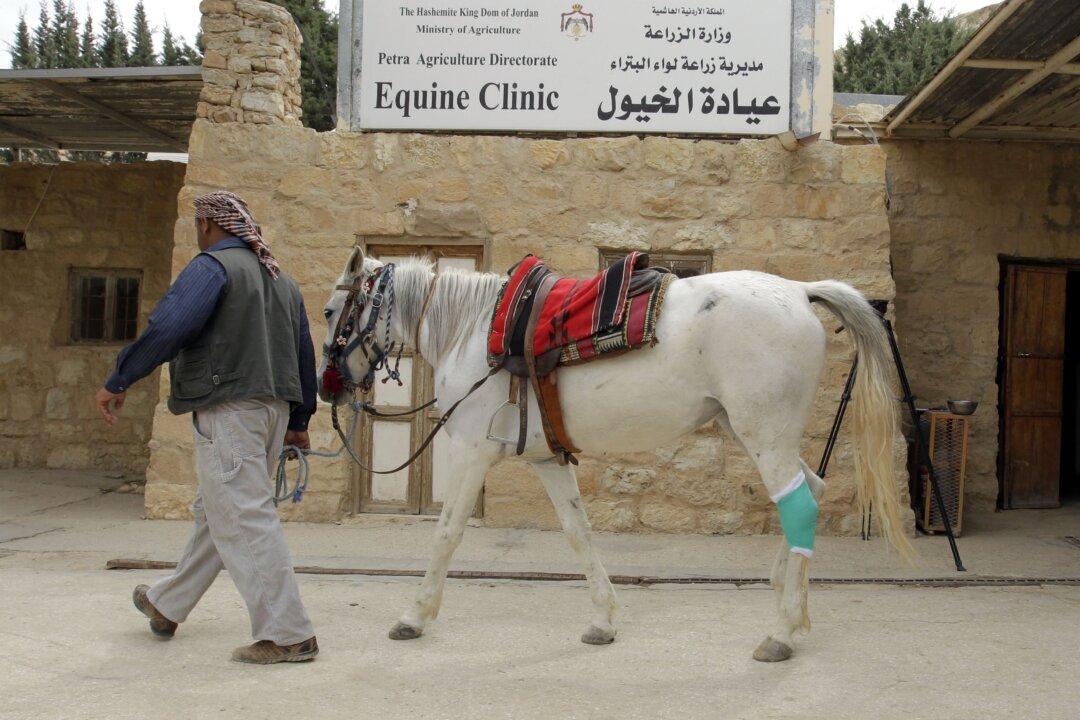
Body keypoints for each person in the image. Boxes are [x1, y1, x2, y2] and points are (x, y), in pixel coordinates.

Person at [94, 190, 319, 664]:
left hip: (231, 408)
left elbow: (170, 325)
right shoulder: (283, 281)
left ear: (207, 226)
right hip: (273, 411)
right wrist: (299, 420)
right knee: (217, 511)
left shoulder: (211, 268)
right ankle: (167, 602)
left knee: (243, 516)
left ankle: (289, 634)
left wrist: (121, 377)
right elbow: (303, 352)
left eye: (199, 226)